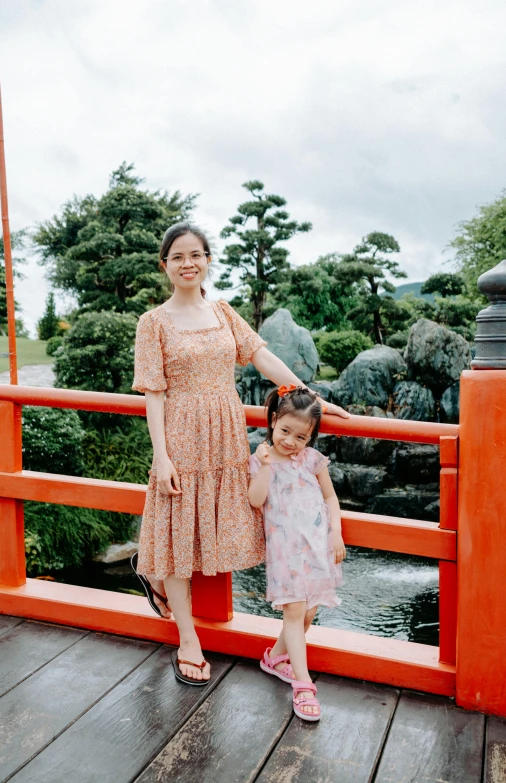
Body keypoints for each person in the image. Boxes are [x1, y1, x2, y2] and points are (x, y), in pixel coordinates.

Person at [132, 221, 349, 686]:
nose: (187, 263)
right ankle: (188, 639)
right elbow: (153, 394)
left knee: (216, 522)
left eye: (196, 255)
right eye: (177, 257)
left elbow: (261, 357)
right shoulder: (152, 323)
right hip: (181, 433)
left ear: (208, 259)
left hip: (226, 433)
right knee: (176, 531)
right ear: (165, 265)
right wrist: (162, 456)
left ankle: (153, 576)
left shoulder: (224, 313)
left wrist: (307, 392)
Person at [248, 385, 346, 721]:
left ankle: (274, 659)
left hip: (316, 547)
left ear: (311, 437)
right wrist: (263, 467)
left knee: (306, 615)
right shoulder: (261, 458)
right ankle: (303, 686)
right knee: (294, 613)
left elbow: (331, 498)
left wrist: (336, 532)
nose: (290, 442)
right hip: (285, 551)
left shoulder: (312, 460)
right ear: (273, 420)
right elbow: (256, 500)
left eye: (300, 437)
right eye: (285, 431)